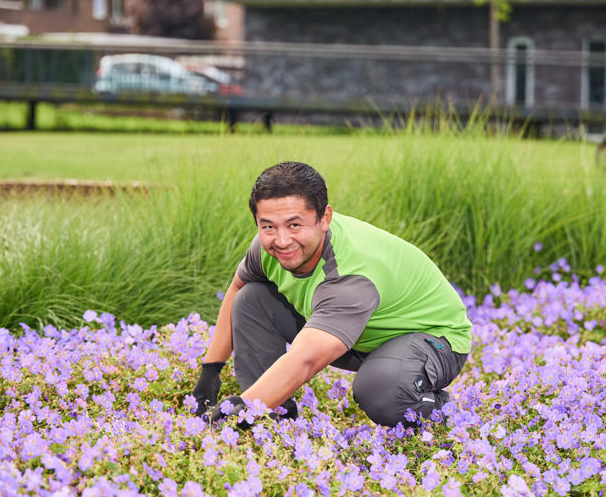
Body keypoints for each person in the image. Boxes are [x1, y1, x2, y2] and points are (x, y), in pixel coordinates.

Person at [191, 161, 471, 428]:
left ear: (324, 218)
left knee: (381, 391)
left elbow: (306, 360)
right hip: (360, 334)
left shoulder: (351, 274)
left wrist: (242, 407)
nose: (282, 240)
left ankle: (436, 408)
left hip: (433, 338)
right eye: (268, 226)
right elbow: (238, 288)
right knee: (251, 298)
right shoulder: (269, 246)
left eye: (294, 225)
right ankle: (272, 417)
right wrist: (210, 371)